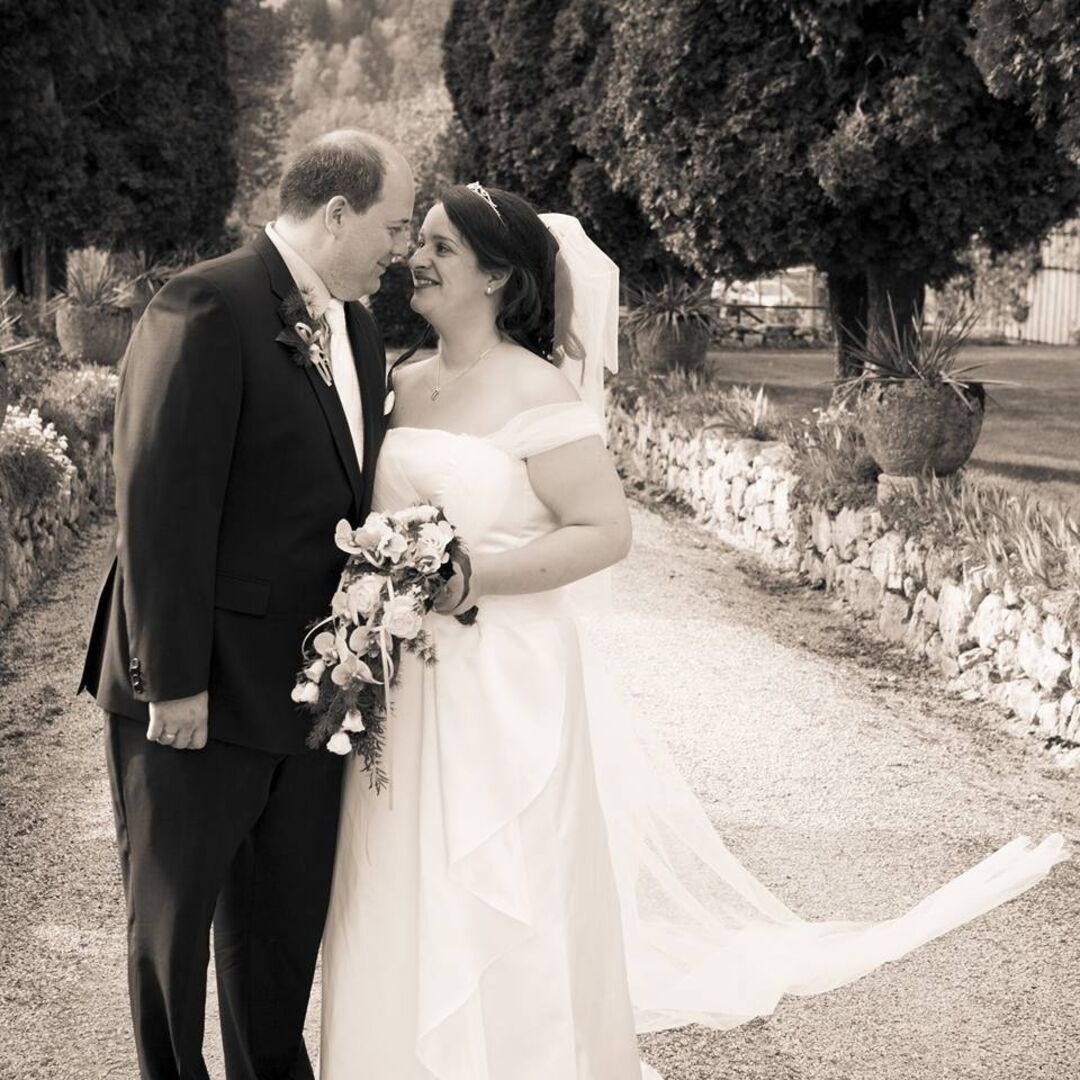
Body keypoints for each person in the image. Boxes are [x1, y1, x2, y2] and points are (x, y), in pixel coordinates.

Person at [317, 182, 1067, 1079]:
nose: (417, 260)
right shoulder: (400, 381)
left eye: (441, 247)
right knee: (399, 868)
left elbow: (605, 532)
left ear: (497, 275)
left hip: (504, 679)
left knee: (502, 876)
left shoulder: (536, 388)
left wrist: (472, 577)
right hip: (406, 675)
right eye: (421, 243)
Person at [79, 130, 414, 1080]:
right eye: (393, 227)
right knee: (174, 929)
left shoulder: (358, 330)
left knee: (279, 933)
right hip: (201, 689)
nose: (400, 251)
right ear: (338, 212)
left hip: (312, 696)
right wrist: (172, 682)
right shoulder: (206, 304)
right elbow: (160, 505)